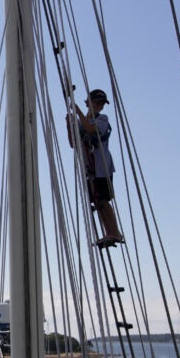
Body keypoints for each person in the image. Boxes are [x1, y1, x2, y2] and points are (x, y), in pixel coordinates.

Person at [72, 88, 123, 248]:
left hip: (103, 169)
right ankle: (109, 232)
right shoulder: (83, 122)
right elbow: (74, 142)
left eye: (101, 104)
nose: (99, 106)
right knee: (98, 202)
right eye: (96, 103)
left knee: (104, 201)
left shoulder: (102, 120)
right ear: (89, 103)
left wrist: (77, 111)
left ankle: (115, 232)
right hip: (90, 170)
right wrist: (70, 123)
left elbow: (91, 129)